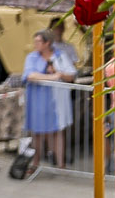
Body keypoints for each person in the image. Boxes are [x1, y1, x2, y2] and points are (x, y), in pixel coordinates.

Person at [22, 30, 76, 169]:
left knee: (58, 131)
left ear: (47, 43)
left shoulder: (60, 56)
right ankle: (35, 163)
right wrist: (52, 77)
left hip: (56, 101)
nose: (35, 44)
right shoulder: (32, 57)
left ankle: (60, 164)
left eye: (38, 41)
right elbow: (30, 75)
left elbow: (70, 75)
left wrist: (59, 74)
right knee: (37, 132)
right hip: (38, 99)